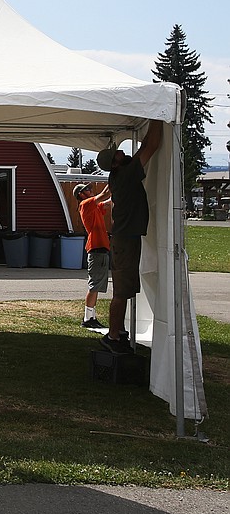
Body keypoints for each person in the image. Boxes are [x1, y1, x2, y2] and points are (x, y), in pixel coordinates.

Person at [95, 119, 163, 355]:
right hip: (125, 240)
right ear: (115, 163)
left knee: (125, 289)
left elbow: (144, 147)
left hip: (126, 238)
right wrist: (157, 115)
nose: (122, 150)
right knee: (121, 292)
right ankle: (113, 337)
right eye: (117, 152)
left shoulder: (123, 171)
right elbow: (152, 145)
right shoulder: (126, 174)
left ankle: (119, 332)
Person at [73, 182, 111, 330]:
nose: (90, 190)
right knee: (94, 285)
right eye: (87, 189)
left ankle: (91, 317)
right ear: (81, 194)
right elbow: (105, 195)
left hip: (100, 248)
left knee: (96, 284)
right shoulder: (85, 204)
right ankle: (88, 318)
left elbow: (108, 202)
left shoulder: (94, 206)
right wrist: (113, 181)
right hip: (96, 248)